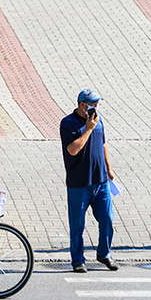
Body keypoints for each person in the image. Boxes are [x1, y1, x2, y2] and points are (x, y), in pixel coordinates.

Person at [60, 89, 119, 273]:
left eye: (97, 104)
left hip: (100, 181)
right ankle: (78, 260)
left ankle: (104, 254)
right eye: (93, 104)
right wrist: (88, 129)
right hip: (79, 184)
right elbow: (72, 150)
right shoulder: (68, 123)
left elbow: (102, 144)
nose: (96, 107)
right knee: (77, 225)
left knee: (107, 219)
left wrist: (108, 168)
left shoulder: (98, 121)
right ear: (82, 105)